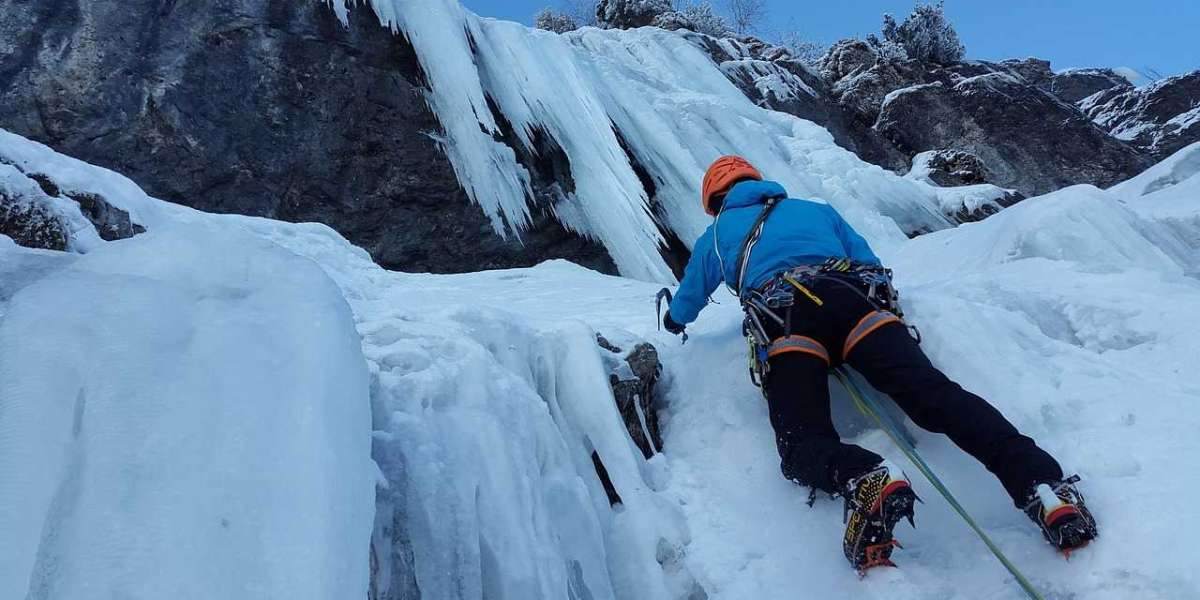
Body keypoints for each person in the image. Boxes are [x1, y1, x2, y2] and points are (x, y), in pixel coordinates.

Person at [662, 155, 1098, 572]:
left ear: (715, 200)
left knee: (801, 442)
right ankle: (1044, 487)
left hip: (787, 319)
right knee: (937, 398)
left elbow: (691, 296)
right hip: (858, 305)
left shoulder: (718, 234)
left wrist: (673, 319)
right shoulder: (816, 211)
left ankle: (862, 476)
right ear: (759, 183)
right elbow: (867, 259)